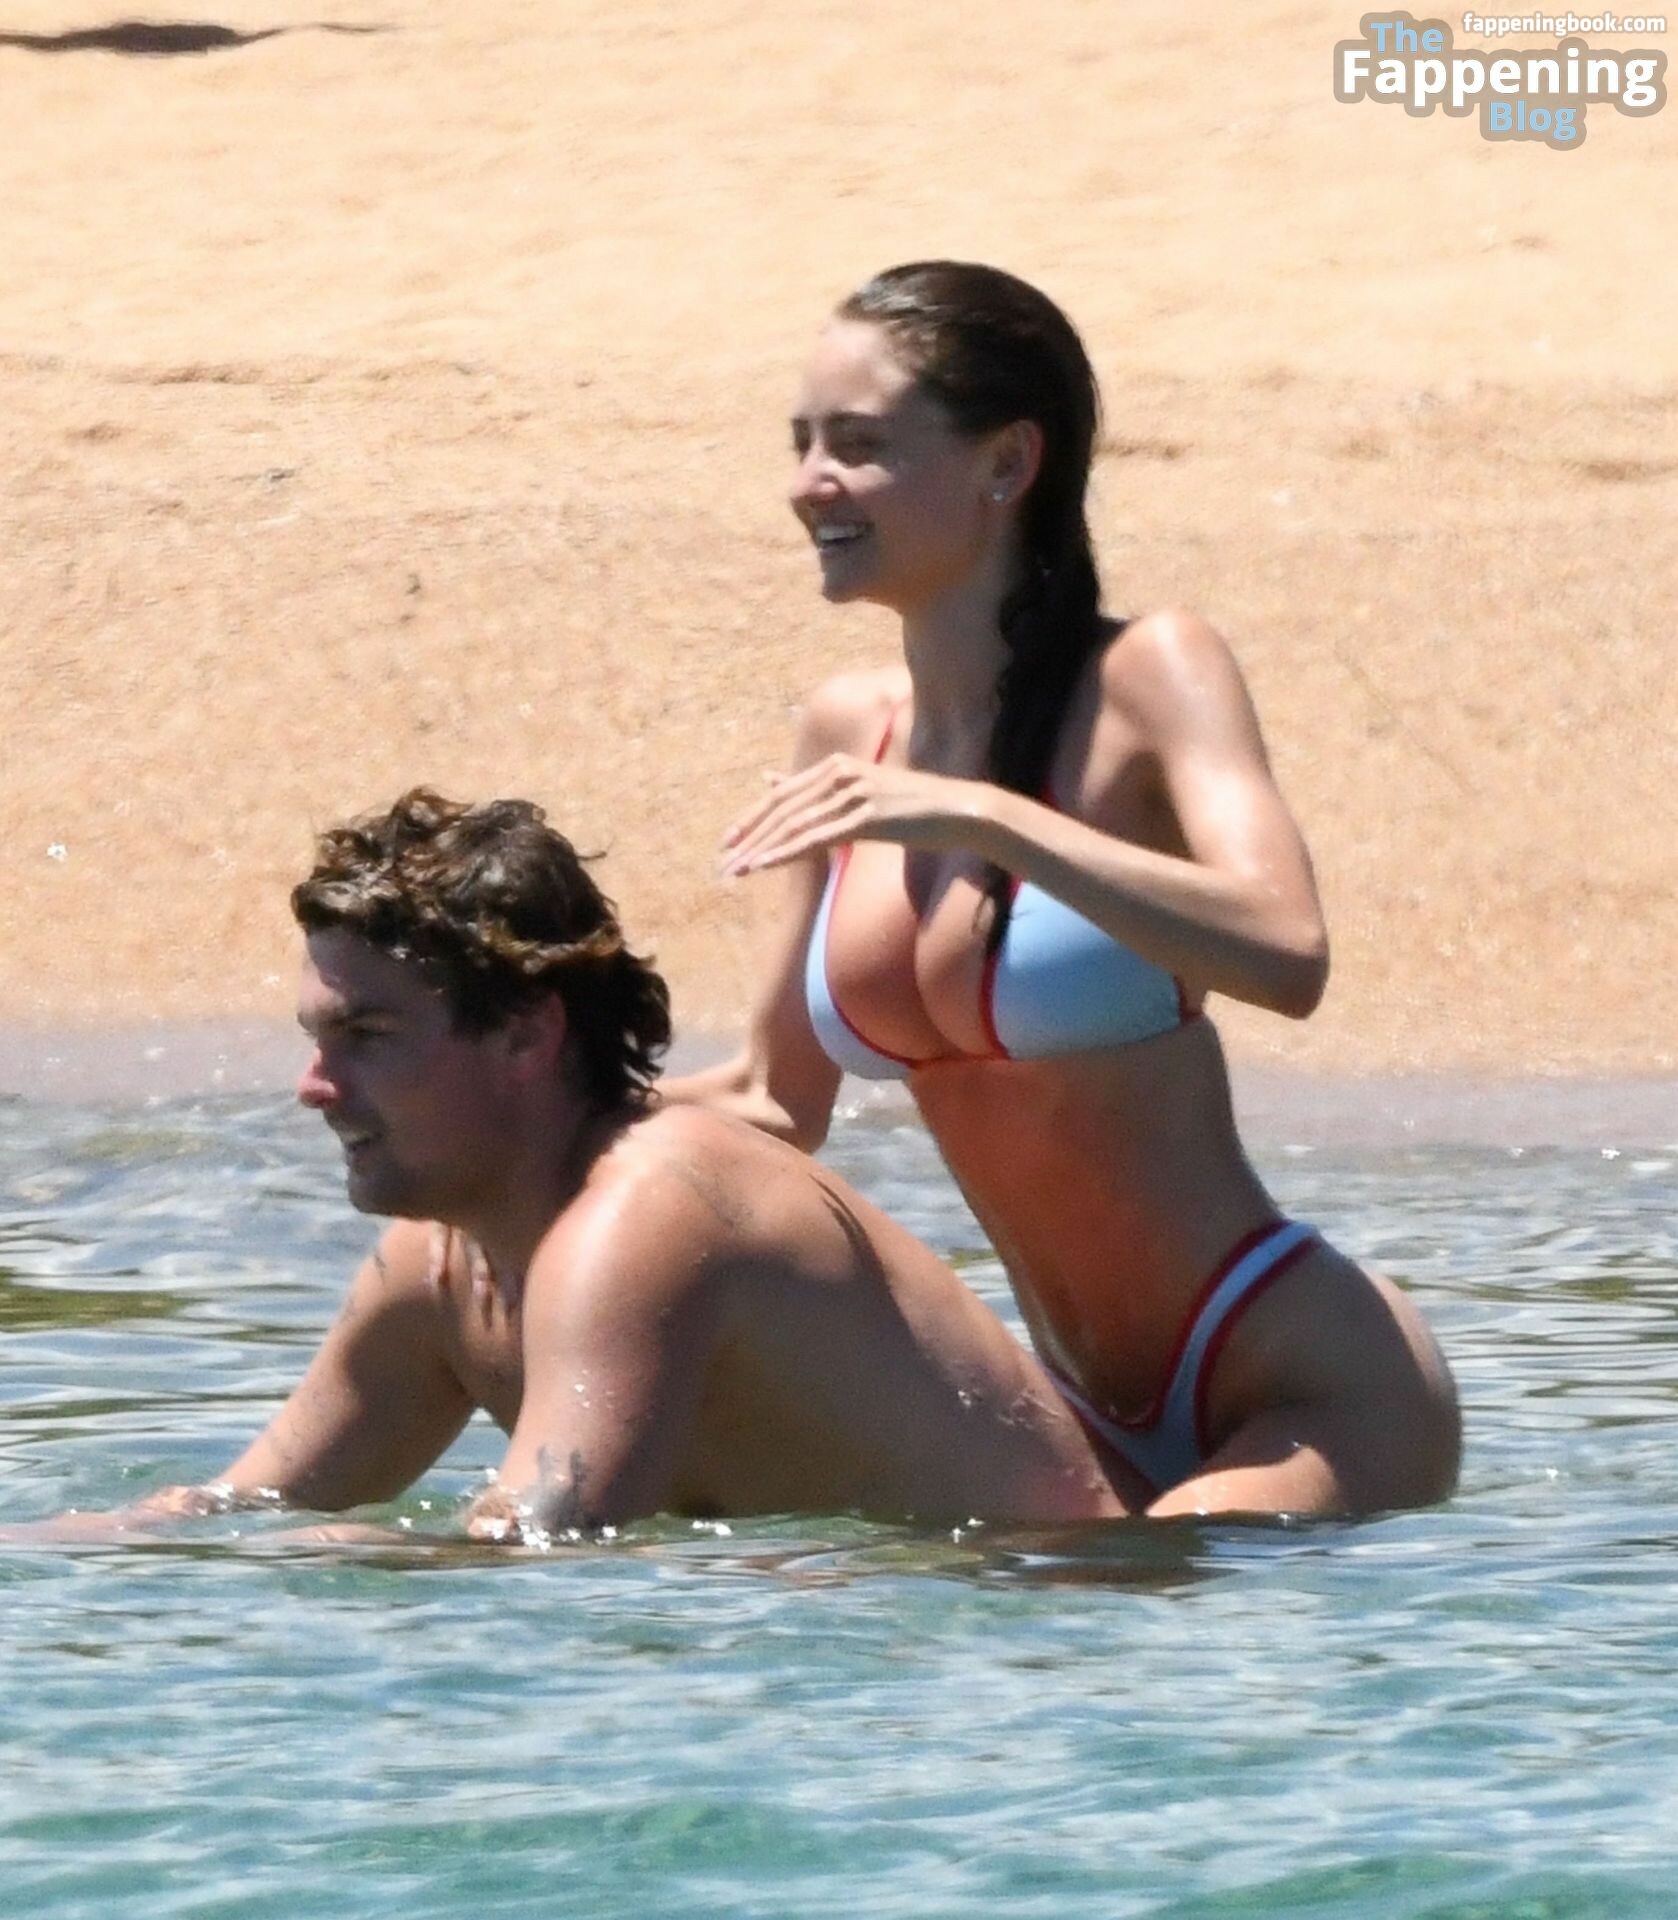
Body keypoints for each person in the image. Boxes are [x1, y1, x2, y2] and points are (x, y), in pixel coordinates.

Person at [658, 260, 1460, 1519]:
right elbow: (775, 1100)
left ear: (1006, 463)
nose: (808, 481)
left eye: (858, 445)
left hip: (1297, 1370)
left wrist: (987, 816)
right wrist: (506, 1113)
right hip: (1075, 1403)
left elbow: (1286, 950)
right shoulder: (847, 733)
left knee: (1141, 1578)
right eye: (801, 442)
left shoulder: (1149, 672)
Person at [26, 789, 1152, 1545]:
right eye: (318, 1039)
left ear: (526, 1035)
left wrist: (341, 1562)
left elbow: (540, 1549)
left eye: (366, 1037)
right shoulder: (446, 1263)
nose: (315, 1088)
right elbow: (235, 1514)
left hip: (1038, 1658)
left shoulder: (652, 1213)